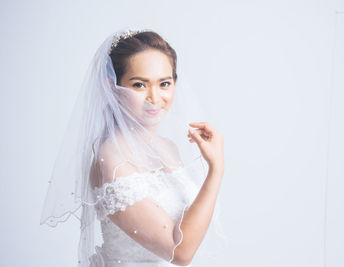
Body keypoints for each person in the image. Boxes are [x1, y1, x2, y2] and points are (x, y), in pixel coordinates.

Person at [40, 28, 227, 267]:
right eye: (139, 85)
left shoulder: (168, 148)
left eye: (164, 83)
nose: (154, 97)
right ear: (112, 88)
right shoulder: (112, 160)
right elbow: (179, 252)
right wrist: (217, 169)